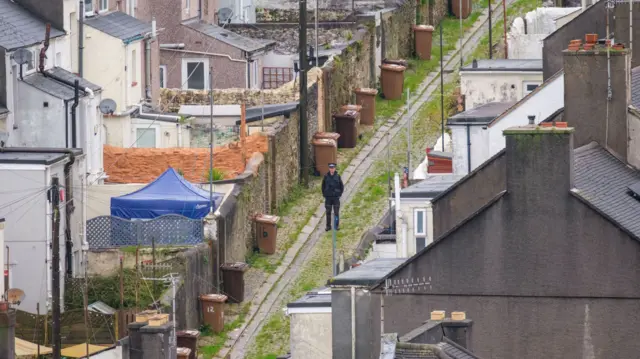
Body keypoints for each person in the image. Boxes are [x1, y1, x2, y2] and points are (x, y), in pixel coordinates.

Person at [322, 163, 344, 231]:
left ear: (335, 168)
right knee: (328, 212)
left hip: (335, 198)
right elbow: (323, 186)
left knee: (336, 212)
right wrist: (325, 194)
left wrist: (339, 194)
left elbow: (341, 186)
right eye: (330, 168)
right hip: (328, 198)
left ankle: (336, 226)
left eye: (333, 168)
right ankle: (328, 226)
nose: (332, 169)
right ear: (329, 168)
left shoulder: (338, 176)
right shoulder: (326, 176)